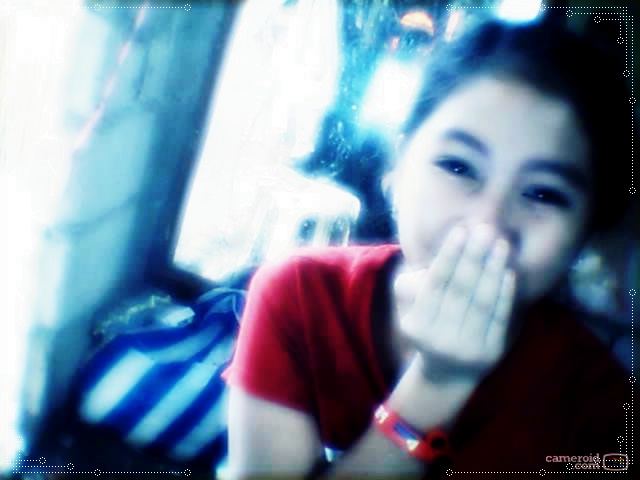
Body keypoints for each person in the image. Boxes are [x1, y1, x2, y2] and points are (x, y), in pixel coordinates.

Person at [222, 13, 636, 479]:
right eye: (458, 166)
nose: (486, 226)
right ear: (397, 166)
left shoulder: (601, 405)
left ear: (587, 231)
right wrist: (437, 384)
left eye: (543, 194)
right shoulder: (298, 294)